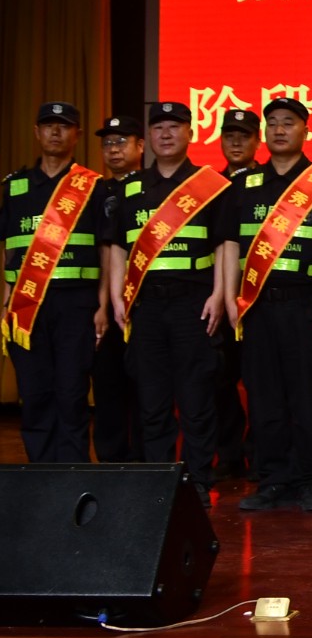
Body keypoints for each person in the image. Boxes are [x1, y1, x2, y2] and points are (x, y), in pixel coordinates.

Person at [223, 98, 312, 512]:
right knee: (264, 396)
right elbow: (230, 244)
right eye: (273, 123)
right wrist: (230, 297)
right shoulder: (245, 184)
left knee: (308, 395)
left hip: (308, 304)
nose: (279, 130)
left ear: (305, 131)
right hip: (258, 306)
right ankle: (273, 479)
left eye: (288, 123)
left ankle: (309, 481)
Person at [109, 102, 231, 506]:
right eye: (158, 127)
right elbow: (118, 247)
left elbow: (224, 244)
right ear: (148, 137)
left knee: (196, 398)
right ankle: (159, 480)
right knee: (152, 399)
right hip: (145, 306)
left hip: (193, 304)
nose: (165, 134)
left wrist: (219, 294)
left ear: (190, 133)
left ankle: (197, 480)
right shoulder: (130, 188)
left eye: (174, 127)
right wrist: (118, 296)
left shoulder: (209, 185)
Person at [1, 102, 114, 463]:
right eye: (48, 125)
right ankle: (41, 471)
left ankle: (72, 472)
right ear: (36, 132)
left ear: (77, 135)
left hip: (76, 305)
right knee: (34, 392)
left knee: (71, 391)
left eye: (63, 126)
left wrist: (103, 305)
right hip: (26, 305)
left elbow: (105, 250)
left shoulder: (92, 187)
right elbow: (9, 248)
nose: (55, 132)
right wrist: (5, 301)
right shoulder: (15, 186)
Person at [90, 114, 144, 462]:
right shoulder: (92, 192)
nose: (113, 149)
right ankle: (110, 461)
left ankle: (143, 461)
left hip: (144, 303)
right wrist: (102, 303)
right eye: (107, 143)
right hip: (102, 306)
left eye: (121, 142)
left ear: (141, 146)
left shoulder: (153, 188)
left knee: (144, 385)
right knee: (106, 384)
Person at [214, 107, 260, 482]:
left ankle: (259, 453)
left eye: (243, 136)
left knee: (260, 380)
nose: (236, 142)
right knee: (219, 378)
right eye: (229, 136)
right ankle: (229, 454)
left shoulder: (271, 184)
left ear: (257, 141)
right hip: (218, 298)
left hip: (259, 297)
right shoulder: (207, 186)